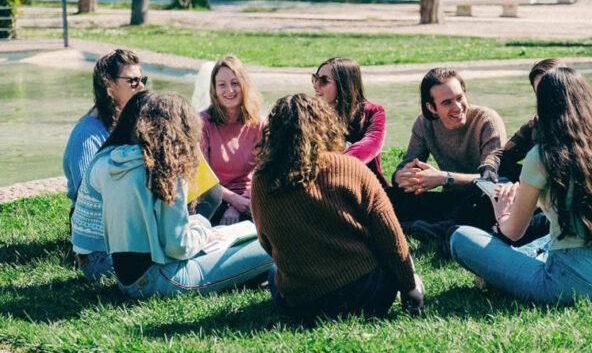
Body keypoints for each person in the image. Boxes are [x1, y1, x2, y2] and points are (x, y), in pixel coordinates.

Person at [450, 67, 592, 305]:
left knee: (461, 238)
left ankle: (499, 273)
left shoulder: (543, 155)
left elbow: (513, 231)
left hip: (569, 286)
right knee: (548, 240)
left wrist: (503, 209)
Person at [250, 94, 423, 322]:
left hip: (304, 307)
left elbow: (266, 241)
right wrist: (410, 286)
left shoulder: (262, 181)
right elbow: (391, 236)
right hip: (369, 293)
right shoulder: (351, 167)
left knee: (274, 274)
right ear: (325, 125)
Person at [90, 92, 273, 299]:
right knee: (272, 245)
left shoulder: (118, 162)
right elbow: (179, 247)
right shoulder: (165, 170)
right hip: (162, 279)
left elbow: (151, 228)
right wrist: (203, 227)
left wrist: (192, 223)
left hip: (127, 281)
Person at [413, 59, 566, 251]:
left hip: (560, 207)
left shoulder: (586, 131)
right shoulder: (536, 125)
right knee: (497, 178)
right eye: (540, 93)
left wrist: (526, 195)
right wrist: (489, 170)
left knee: (508, 227)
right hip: (533, 196)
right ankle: (450, 228)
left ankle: (471, 235)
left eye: (551, 92)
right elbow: (503, 155)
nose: (546, 100)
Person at [388, 67, 506, 231]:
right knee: (390, 196)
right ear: (431, 108)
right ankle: (422, 226)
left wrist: (444, 178)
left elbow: (491, 180)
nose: (457, 107)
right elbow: (409, 162)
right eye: (447, 102)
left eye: (460, 98)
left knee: (481, 201)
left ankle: (436, 229)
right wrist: (401, 176)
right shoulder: (424, 124)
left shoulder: (487, 121)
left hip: (483, 199)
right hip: (450, 199)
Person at [62, 49, 144, 282]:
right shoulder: (88, 136)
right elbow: (88, 195)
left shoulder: (128, 125)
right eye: (133, 81)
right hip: (97, 229)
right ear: (109, 85)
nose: (141, 88)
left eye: (142, 80)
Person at [200, 55, 264, 225]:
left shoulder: (259, 124)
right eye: (222, 85)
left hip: (251, 198)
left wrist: (241, 203)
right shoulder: (203, 124)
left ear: (244, 85)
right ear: (214, 89)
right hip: (213, 199)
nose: (229, 90)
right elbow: (203, 179)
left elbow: (265, 171)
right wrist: (233, 201)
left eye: (235, 83)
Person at [312, 57, 388, 187]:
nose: (316, 85)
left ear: (344, 84)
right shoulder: (311, 114)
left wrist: (331, 166)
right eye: (315, 78)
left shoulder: (373, 112)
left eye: (324, 81)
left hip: (366, 188)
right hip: (328, 188)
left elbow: (369, 146)